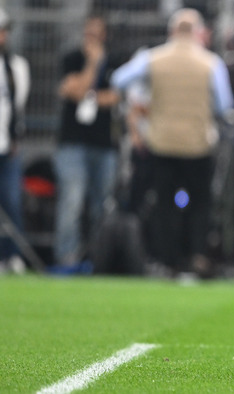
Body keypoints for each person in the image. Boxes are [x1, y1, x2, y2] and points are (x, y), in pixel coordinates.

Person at [111, 8, 234, 277]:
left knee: (165, 204)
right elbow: (225, 106)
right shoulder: (211, 63)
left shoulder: (152, 58)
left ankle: (167, 260)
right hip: (198, 145)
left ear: (171, 31)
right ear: (199, 32)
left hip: (162, 143)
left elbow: (118, 80)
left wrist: (143, 103)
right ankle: (196, 255)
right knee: (200, 203)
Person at [54, 14, 120, 270]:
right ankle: (66, 258)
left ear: (104, 35)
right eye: (88, 33)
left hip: (103, 145)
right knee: (72, 199)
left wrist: (87, 94)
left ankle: (97, 258)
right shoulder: (72, 58)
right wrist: (92, 65)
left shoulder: (114, 61)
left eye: (96, 33)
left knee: (101, 205)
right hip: (73, 143)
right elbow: (71, 89)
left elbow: (115, 97)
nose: (91, 38)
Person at [0, 8, 30, 273]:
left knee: (11, 200)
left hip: (6, 146)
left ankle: (12, 256)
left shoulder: (16, 66)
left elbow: (17, 105)